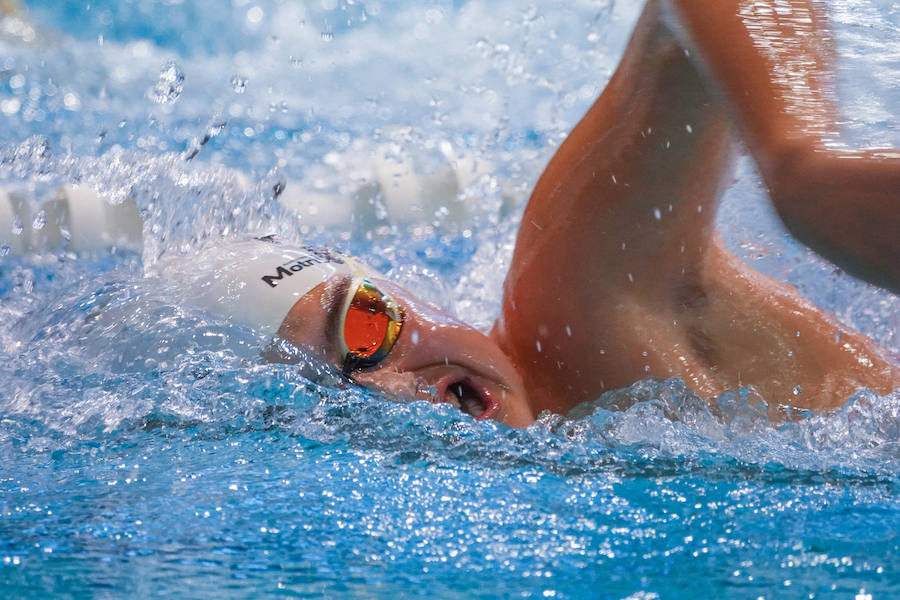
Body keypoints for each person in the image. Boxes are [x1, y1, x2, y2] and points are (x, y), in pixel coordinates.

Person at [2, 0, 897, 427]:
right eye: (332, 398)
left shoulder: (572, 316)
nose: (398, 385)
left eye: (365, 328)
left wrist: (798, 167)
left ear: (395, 292)